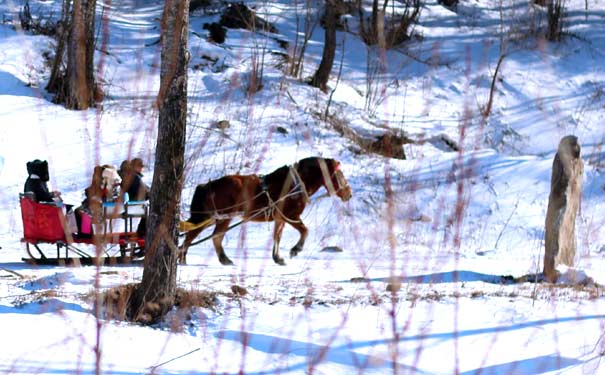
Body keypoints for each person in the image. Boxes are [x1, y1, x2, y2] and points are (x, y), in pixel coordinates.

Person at [119, 158, 149, 237]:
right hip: (137, 206)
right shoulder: (135, 178)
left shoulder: (123, 181)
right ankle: (142, 231)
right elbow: (143, 192)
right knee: (150, 211)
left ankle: (141, 231)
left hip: (130, 207)